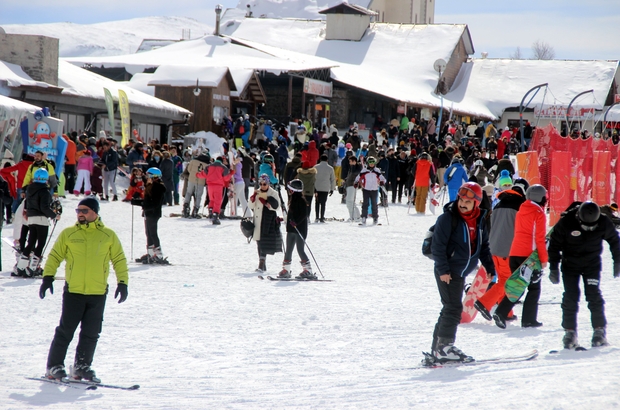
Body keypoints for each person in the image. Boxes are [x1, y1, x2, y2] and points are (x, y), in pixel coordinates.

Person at [39, 197, 128, 382]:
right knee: (66, 330)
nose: (80, 213)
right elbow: (55, 256)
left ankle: (82, 366)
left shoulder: (108, 235)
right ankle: (54, 366)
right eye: (78, 210)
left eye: (85, 211)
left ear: (95, 212)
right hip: (74, 292)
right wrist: (48, 277)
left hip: (97, 292)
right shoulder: (69, 234)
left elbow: (119, 259)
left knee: (91, 333)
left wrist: (123, 283)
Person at [429, 181, 495, 364]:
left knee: (449, 308)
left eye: (468, 201)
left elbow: (484, 246)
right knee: (453, 308)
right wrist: (443, 269)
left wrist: (489, 266)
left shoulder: (480, 219)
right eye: (461, 200)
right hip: (448, 271)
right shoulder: (448, 219)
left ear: (477, 203)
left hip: (460, 271)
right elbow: (438, 246)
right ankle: (444, 347)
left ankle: (438, 348)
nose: (463, 204)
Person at [548, 201, 620, 348]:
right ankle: (569, 331)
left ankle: (599, 330)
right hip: (570, 265)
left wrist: (617, 262)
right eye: (585, 226)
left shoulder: (603, 222)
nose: (589, 229)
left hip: (592, 265)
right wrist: (553, 267)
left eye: (592, 227)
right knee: (570, 296)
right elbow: (554, 244)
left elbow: (614, 241)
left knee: (593, 295)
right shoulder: (567, 221)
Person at [493, 184, 549, 329]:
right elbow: (539, 238)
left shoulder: (521, 210)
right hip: (529, 256)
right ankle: (528, 320)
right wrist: (543, 259)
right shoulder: (538, 213)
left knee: (518, 286)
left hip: (514, 253)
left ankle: (501, 311)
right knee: (534, 288)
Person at [474, 178, 529, 322]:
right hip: (508, 250)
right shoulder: (521, 207)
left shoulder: (498, 205)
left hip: (493, 248)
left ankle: (506, 312)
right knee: (506, 281)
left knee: (505, 279)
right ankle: (484, 303)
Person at [15, 169, 61, 277]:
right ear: (46, 179)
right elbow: (44, 207)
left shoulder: (29, 190)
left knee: (31, 242)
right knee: (40, 243)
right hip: (41, 219)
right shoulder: (44, 191)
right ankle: (33, 267)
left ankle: (20, 267)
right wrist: (54, 215)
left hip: (31, 218)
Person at [277, 179, 315, 279]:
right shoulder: (292, 200)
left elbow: (304, 215)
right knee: (288, 249)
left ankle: (308, 270)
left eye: (290, 190)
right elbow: (291, 215)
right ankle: (286, 270)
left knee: (300, 249)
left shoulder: (302, 201)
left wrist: (296, 222)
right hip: (291, 229)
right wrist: (282, 219)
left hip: (300, 230)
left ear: (294, 190)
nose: (289, 191)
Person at [249, 174, 282, 272]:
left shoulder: (273, 193)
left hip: (268, 220)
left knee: (264, 241)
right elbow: (251, 205)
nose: (262, 185)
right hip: (258, 220)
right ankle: (263, 265)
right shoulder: (257, 191)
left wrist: (268, 204)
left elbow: (277, 206)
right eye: (261, 184)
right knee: (259, 242)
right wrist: (253, 198)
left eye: (264, 184)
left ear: (268, 183)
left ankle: (261, 264)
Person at [134, 168, 168, 264]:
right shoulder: (150, 185)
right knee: (148, 233)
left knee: (153, 233)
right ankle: (150, 253)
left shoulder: (158, 188)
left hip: (153, 213)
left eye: (148, 176)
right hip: (148, 212)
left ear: (154, 177)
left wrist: (143, 205)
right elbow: (147, 201)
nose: (147, 178)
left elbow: (155, 204)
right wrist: (137, 202)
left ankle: (158, 255)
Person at [196, 156, 232, 225]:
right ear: (221, 161)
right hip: (218, 186)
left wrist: (197, 175)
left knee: (211, 199)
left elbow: (203, 174)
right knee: (217, 200)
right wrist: (230, 174)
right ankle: (215, 215)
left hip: (210, 186)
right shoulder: (223, 167)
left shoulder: (209, 166)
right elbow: (226, 178)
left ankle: (210, 211)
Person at [353, 156, 385, 225]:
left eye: (373, 163)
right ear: (367, 163)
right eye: (370, 163)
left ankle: (375, 217)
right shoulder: (364, 170)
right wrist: (356, 182)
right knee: (365, 203)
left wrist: (382, 182)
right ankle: (364, 217)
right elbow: (358, 177)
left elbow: (382, 178)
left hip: (374, 189)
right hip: (366, 189)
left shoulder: (377, 171)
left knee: (374, 204)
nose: (371, 164)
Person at [182, 150, 210, 218]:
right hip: (201, 181)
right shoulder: (207, 165)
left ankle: (186, 206)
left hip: (191, 179)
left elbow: (189, 169)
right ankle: (195, 210)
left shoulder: (193, 161)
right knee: (198, 196)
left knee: (188, 193)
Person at [313, 154, 336, 223]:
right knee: (323, 203)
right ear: (327, 160)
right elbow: (333, 179)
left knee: (317, 203)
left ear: (320, 159)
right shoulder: (330, 168)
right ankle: (322, 217)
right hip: (325, 188)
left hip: (317, 188)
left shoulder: (315, 167)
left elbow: (312, 178)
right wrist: (332, 189)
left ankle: (317, 217)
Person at [344, 155, 362, 222]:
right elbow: (350, 175)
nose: (349, 163)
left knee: (349, 202)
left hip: (353, 185)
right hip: (349, 185)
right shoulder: (351, 167)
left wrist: (354, 166)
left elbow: (355, 173)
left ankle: (353, 217)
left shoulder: (357, 167)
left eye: (350, 161)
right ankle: (356, 216)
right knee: (352, 202)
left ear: (354, 161)